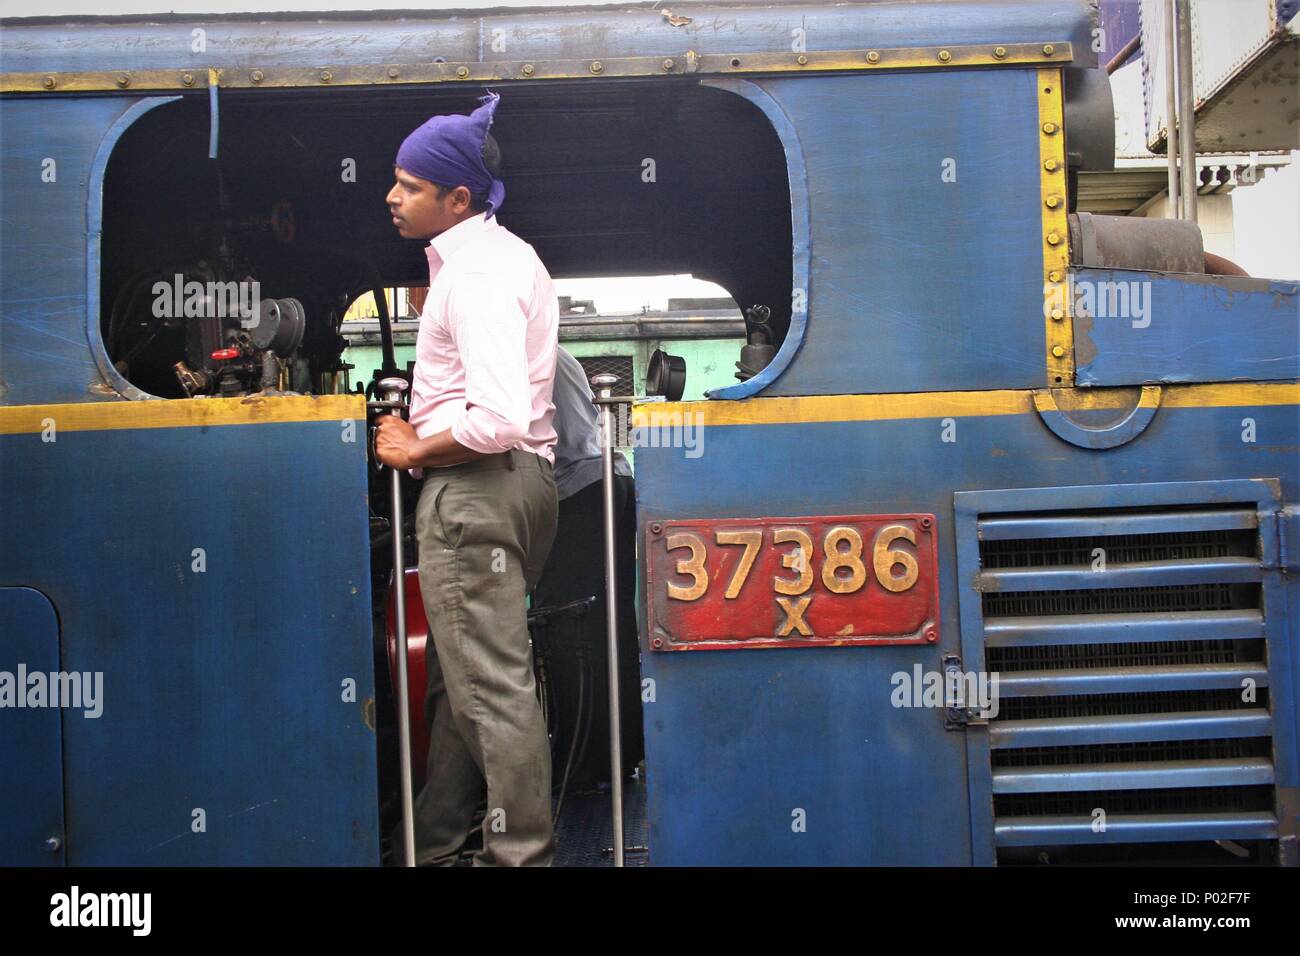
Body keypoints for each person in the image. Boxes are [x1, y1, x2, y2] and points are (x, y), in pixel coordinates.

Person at [375, 90, 560, 867]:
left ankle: (521, 855)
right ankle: (439, 842)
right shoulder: (507, 257)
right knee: (465, 680)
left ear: (457, 198)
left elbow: (496, 418)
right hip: (521, 488)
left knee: (488, 684)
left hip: (475, 486)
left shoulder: (475, 274)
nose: (392, 196)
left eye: (410, 186)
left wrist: (413, 449)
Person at [532, 349, 644, 790]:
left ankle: (585, 760)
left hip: (581, 492)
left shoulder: (529, 349)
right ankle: (615, 754)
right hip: (605, 483)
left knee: (569, 627)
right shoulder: (552, 351)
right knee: (605, 628)